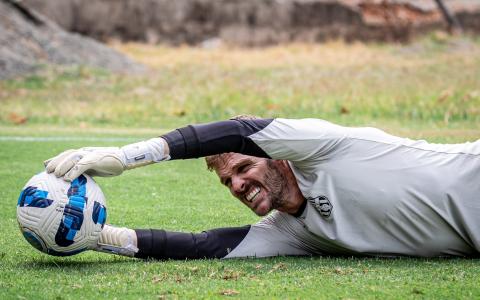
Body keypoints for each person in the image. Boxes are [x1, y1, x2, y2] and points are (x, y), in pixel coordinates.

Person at [44, 116, 480, 259]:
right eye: (227, 181)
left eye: (244, 167)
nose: (238, 184)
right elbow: (206, 246)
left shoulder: (325, 147)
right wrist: (100, 238)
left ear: (277, 153)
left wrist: (125, 156)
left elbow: (239, 129)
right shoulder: (293, 232)